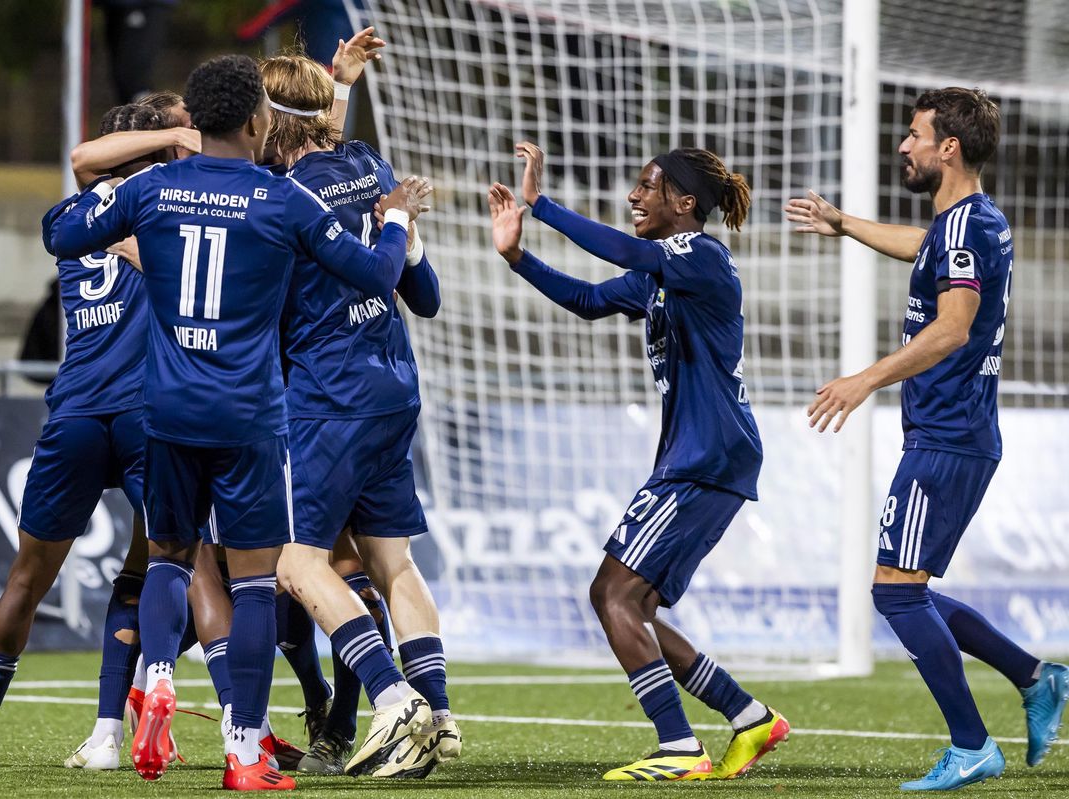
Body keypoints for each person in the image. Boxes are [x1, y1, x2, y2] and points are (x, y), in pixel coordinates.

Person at [47, 53, 431, 791]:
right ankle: (246, 753)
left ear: (194, 121)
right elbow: (381, 276)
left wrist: (116, 206)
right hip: (251, 417)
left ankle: (156, 675)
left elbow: (58, 230)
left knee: (166, 559)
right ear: (257, 121)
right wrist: (397, 221)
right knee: (256, 586)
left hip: (166, 411)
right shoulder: (281, 201)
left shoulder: (151, 187)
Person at [785, 86, 1069, 791]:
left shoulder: (968, 226)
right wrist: (843, 222)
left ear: (949, 146)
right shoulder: (968, 222)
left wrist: (864, 380)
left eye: (914, 135)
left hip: (948, 435)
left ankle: (973, 743)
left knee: (897, 593)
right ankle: (1035, 677)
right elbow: (924, 247)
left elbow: (953, 326)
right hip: (953, 432)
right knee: (903, 587)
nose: (903, 146)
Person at [488, 142, 788, 782]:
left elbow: (624, 252)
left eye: (648, 188)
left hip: (706, 456)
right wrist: (517, 257)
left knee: (611, 594)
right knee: (632, 603)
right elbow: (592, 300)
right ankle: (747, 716)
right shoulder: (664, 272)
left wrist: (540, 206)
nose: (634, 197)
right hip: (705, 455)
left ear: (684, 203)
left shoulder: (700, 256)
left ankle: (679, 748)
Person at [0, 103, 169, 771]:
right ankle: (127, 727)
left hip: (74, 411)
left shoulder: (66, 221)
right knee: (173, 568)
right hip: (144, 413)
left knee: (25, 580)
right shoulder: (165, 213)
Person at [258, 51, 460, 779]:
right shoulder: (376, 169)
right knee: (391, 559)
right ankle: (437, 712)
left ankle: (390, 698)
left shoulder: (280, 196)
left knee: (297, 563)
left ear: (272, 120)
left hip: (329, 394)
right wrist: (399, 223)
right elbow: (426, 295)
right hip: (394, 386)